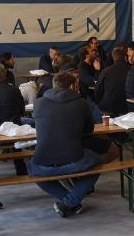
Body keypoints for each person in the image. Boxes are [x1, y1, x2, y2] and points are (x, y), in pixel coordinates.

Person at [29, 72, 106, 218]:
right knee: (98, 163)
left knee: (33, 171)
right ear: (72, 86)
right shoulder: (81, 103)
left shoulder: (38, 103)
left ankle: (70, 201)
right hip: (73, 160)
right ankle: (71, 201)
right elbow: (88, 130)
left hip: (43, 163)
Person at [95, 46, 131, 117]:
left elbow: (97, 90)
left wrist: (99, 102)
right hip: (127, 106)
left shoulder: (105, 71)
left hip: (108, 106)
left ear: (113, 58)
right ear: (125, 58)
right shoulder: (131, 70)